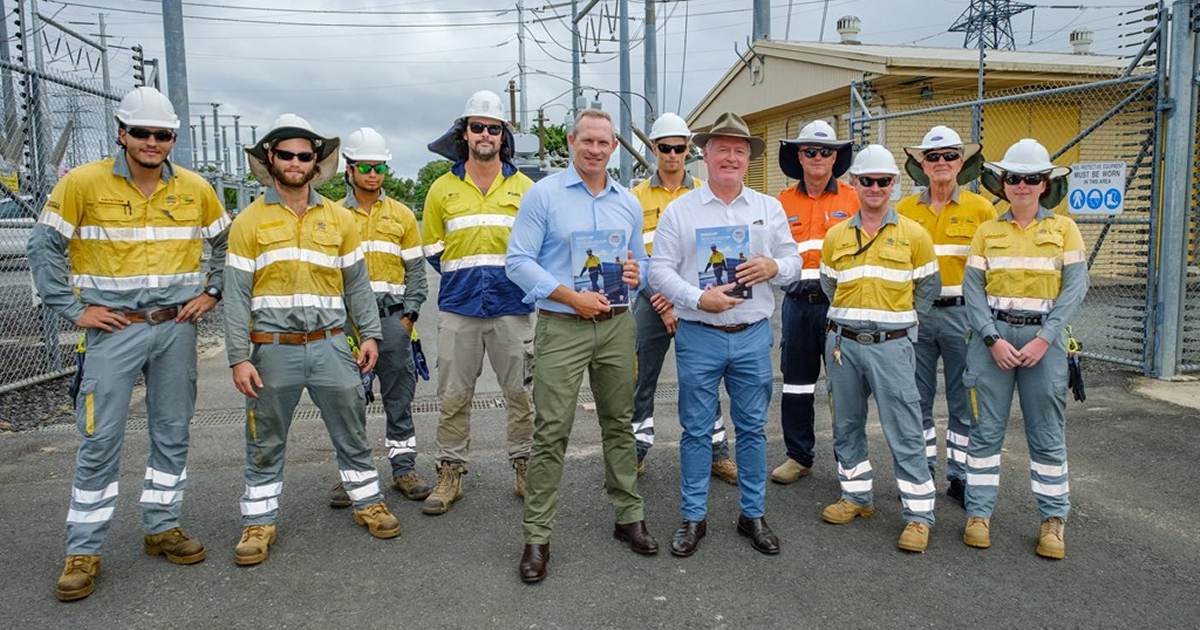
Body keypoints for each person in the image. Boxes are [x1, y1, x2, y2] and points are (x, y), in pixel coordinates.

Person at [28, 86, 228, 602]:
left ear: (172, 139)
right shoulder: (83, 184)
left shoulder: (195, 188)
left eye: (162, 135)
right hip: (113, 331)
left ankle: (162, 526)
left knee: (172, 430)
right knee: (100, 439)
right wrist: (74, 309)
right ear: (122, 133)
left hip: (175, 329)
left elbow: (227, 242)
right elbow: (43, 246)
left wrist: (212, 290)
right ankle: (84, 549)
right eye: (141, 133)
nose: (151, 142)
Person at [224, 114, 400, 567]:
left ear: (316, 162)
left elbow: (357, 286)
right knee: (264, 439)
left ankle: (368, 503)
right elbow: (236, 295)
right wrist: (239, 357)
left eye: (306, 155)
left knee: (352, 429)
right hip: (273, 350)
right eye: (287, 155)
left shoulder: (339, 220)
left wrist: (371, 335)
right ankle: (259, 523)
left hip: (331, 344)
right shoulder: (249, 222)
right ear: (271, 158)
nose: (297, 162)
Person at [506, 109, 657, 584]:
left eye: (604, 142)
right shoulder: (544, 195)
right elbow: (517, 261)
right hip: (563, 324)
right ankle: (537, 537)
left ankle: (628, 517)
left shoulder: (626, 202)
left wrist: (637, 273)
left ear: (614, 147)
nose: (595, 149)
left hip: (615, 326)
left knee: (619, 423)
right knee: (552, 431)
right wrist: (571, 296)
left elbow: (642, 264)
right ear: (571, 141)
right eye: (587, 141)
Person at [649, 111, 801, 558]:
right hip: (700, 334)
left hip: (752, 333)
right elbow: (659, 272)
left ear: (747, 158)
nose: (731, 157)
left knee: (753, 429)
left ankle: (752, 513)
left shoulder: (768, 208)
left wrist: (774, 266)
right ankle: (693, 516)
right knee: (696, 431)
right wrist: (699, 299)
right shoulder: (681, 210)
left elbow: (793, 265)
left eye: (739, 150)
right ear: (706, 154)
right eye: (722, 149)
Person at [961, 138, 1087, 560]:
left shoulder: (1064, 229)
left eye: (1031, 179)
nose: (1022, 186)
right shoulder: (987, 231)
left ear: (1045, 183)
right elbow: (972, 292)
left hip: (1042, 344)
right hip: (993, 340)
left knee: (1047, 435)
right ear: (1002, 182)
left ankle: (1053, 520)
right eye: (1014, 178)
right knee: (985, 433)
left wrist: (1045, 338)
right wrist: (991, 338)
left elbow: (1074, 289)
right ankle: (978, 515)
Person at [819, 145, 941, 553]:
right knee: (846, 423)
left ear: (894, 184)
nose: (874, 187)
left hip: (892, 347)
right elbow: (829, 286)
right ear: (853, 184)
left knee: (905, 430)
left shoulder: (914, 235)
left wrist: (902, 324)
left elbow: (928, 288)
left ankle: (919, 516)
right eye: (866, 180)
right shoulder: (836, 236)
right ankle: (856, 496)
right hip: (843, 345)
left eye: (883, 181)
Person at [421, 91, 535, 515]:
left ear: (503, 134)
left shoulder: (525, 188)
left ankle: (525, 466)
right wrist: (466, 275)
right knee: (453, 395)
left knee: (521, 394)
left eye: (493, 128)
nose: (485, 134)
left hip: (512, 307)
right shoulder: (442, 189)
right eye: (477, 127)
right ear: (464, 133)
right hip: (459, 307)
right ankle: (450, 472)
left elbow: (537, 249)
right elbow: (433, 248)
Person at [629, 112, 736, 482]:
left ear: (689, 149)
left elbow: (715, 253)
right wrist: (661, 299)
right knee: (642, 380)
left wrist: (684, 299)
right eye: (665, 148)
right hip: (651, 300)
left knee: (704, 380)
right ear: (654, 148)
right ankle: (637, 450)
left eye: (679, 147)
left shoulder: (706, 194)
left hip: (697, 302)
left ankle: (717, 451)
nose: (672, 154)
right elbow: (634, 257)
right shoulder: (635, 197)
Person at [327, 127, 431, 507]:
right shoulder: (333, 215)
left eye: (380, 166)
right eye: (365, 166)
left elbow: (416, 272)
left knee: (398, 396)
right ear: (349, 170)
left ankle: (404, 469)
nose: (373, 173)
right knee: (348, 399)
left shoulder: (401, 215)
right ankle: (353, 474)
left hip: (392, 318)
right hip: (347, 323)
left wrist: (410, 317)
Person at [897, 126, 996, 506]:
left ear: (962, 162)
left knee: (963, 399)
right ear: (922, 163)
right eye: (933, 157)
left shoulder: (981, 209)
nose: (941, 163)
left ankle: (959, 475)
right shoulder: (904, 211)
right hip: (918, 317)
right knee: (916, 399)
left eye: (950, 156)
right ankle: (921, 472)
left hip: (962, 317)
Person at [771, 120, 858, 485]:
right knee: (797, 385)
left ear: (835, 156)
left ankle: (849, 459)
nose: (817, 157)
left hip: (840, 305)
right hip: (797, 305)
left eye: (825, 151)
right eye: (809, 151)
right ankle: (798, 456)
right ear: (798, 157)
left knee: (845, 386)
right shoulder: (781, 203)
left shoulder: (854, 197)